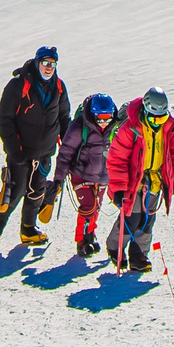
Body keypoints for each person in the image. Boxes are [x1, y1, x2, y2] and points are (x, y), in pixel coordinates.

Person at [0, 46, 71, 246]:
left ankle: (28, 229)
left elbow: (64, 118)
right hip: (20, 151)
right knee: (15, 191)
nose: (49, 67)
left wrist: (68, 147)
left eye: (52, 64)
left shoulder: (59, 87)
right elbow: (4, 119)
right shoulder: (19, 85)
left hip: (45, 151)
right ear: (37, 62)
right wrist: (13, 150)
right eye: (45, 63)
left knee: (36, 191)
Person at [103, 88, 174, 273]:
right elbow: (117, 160)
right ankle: (115, 247)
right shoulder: (130, 129)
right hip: (131, 181)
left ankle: (139, 255)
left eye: (161, 118)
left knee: (148, 219)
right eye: (154, 118)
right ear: (146, 111)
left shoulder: (170, 128)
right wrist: (118, 188)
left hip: (154, 179)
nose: (157, 123)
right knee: (132, 218)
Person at [55, 94, 122, 259]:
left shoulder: (116, 127)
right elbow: (66, 152)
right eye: (100, 119)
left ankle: (91, 234)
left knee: (96, 206)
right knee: (88, 206)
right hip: (81, 173)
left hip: (103, 175)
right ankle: (82, 240)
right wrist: (58, 179)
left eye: (108, 118)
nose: (104, 123)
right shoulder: (80, 126)